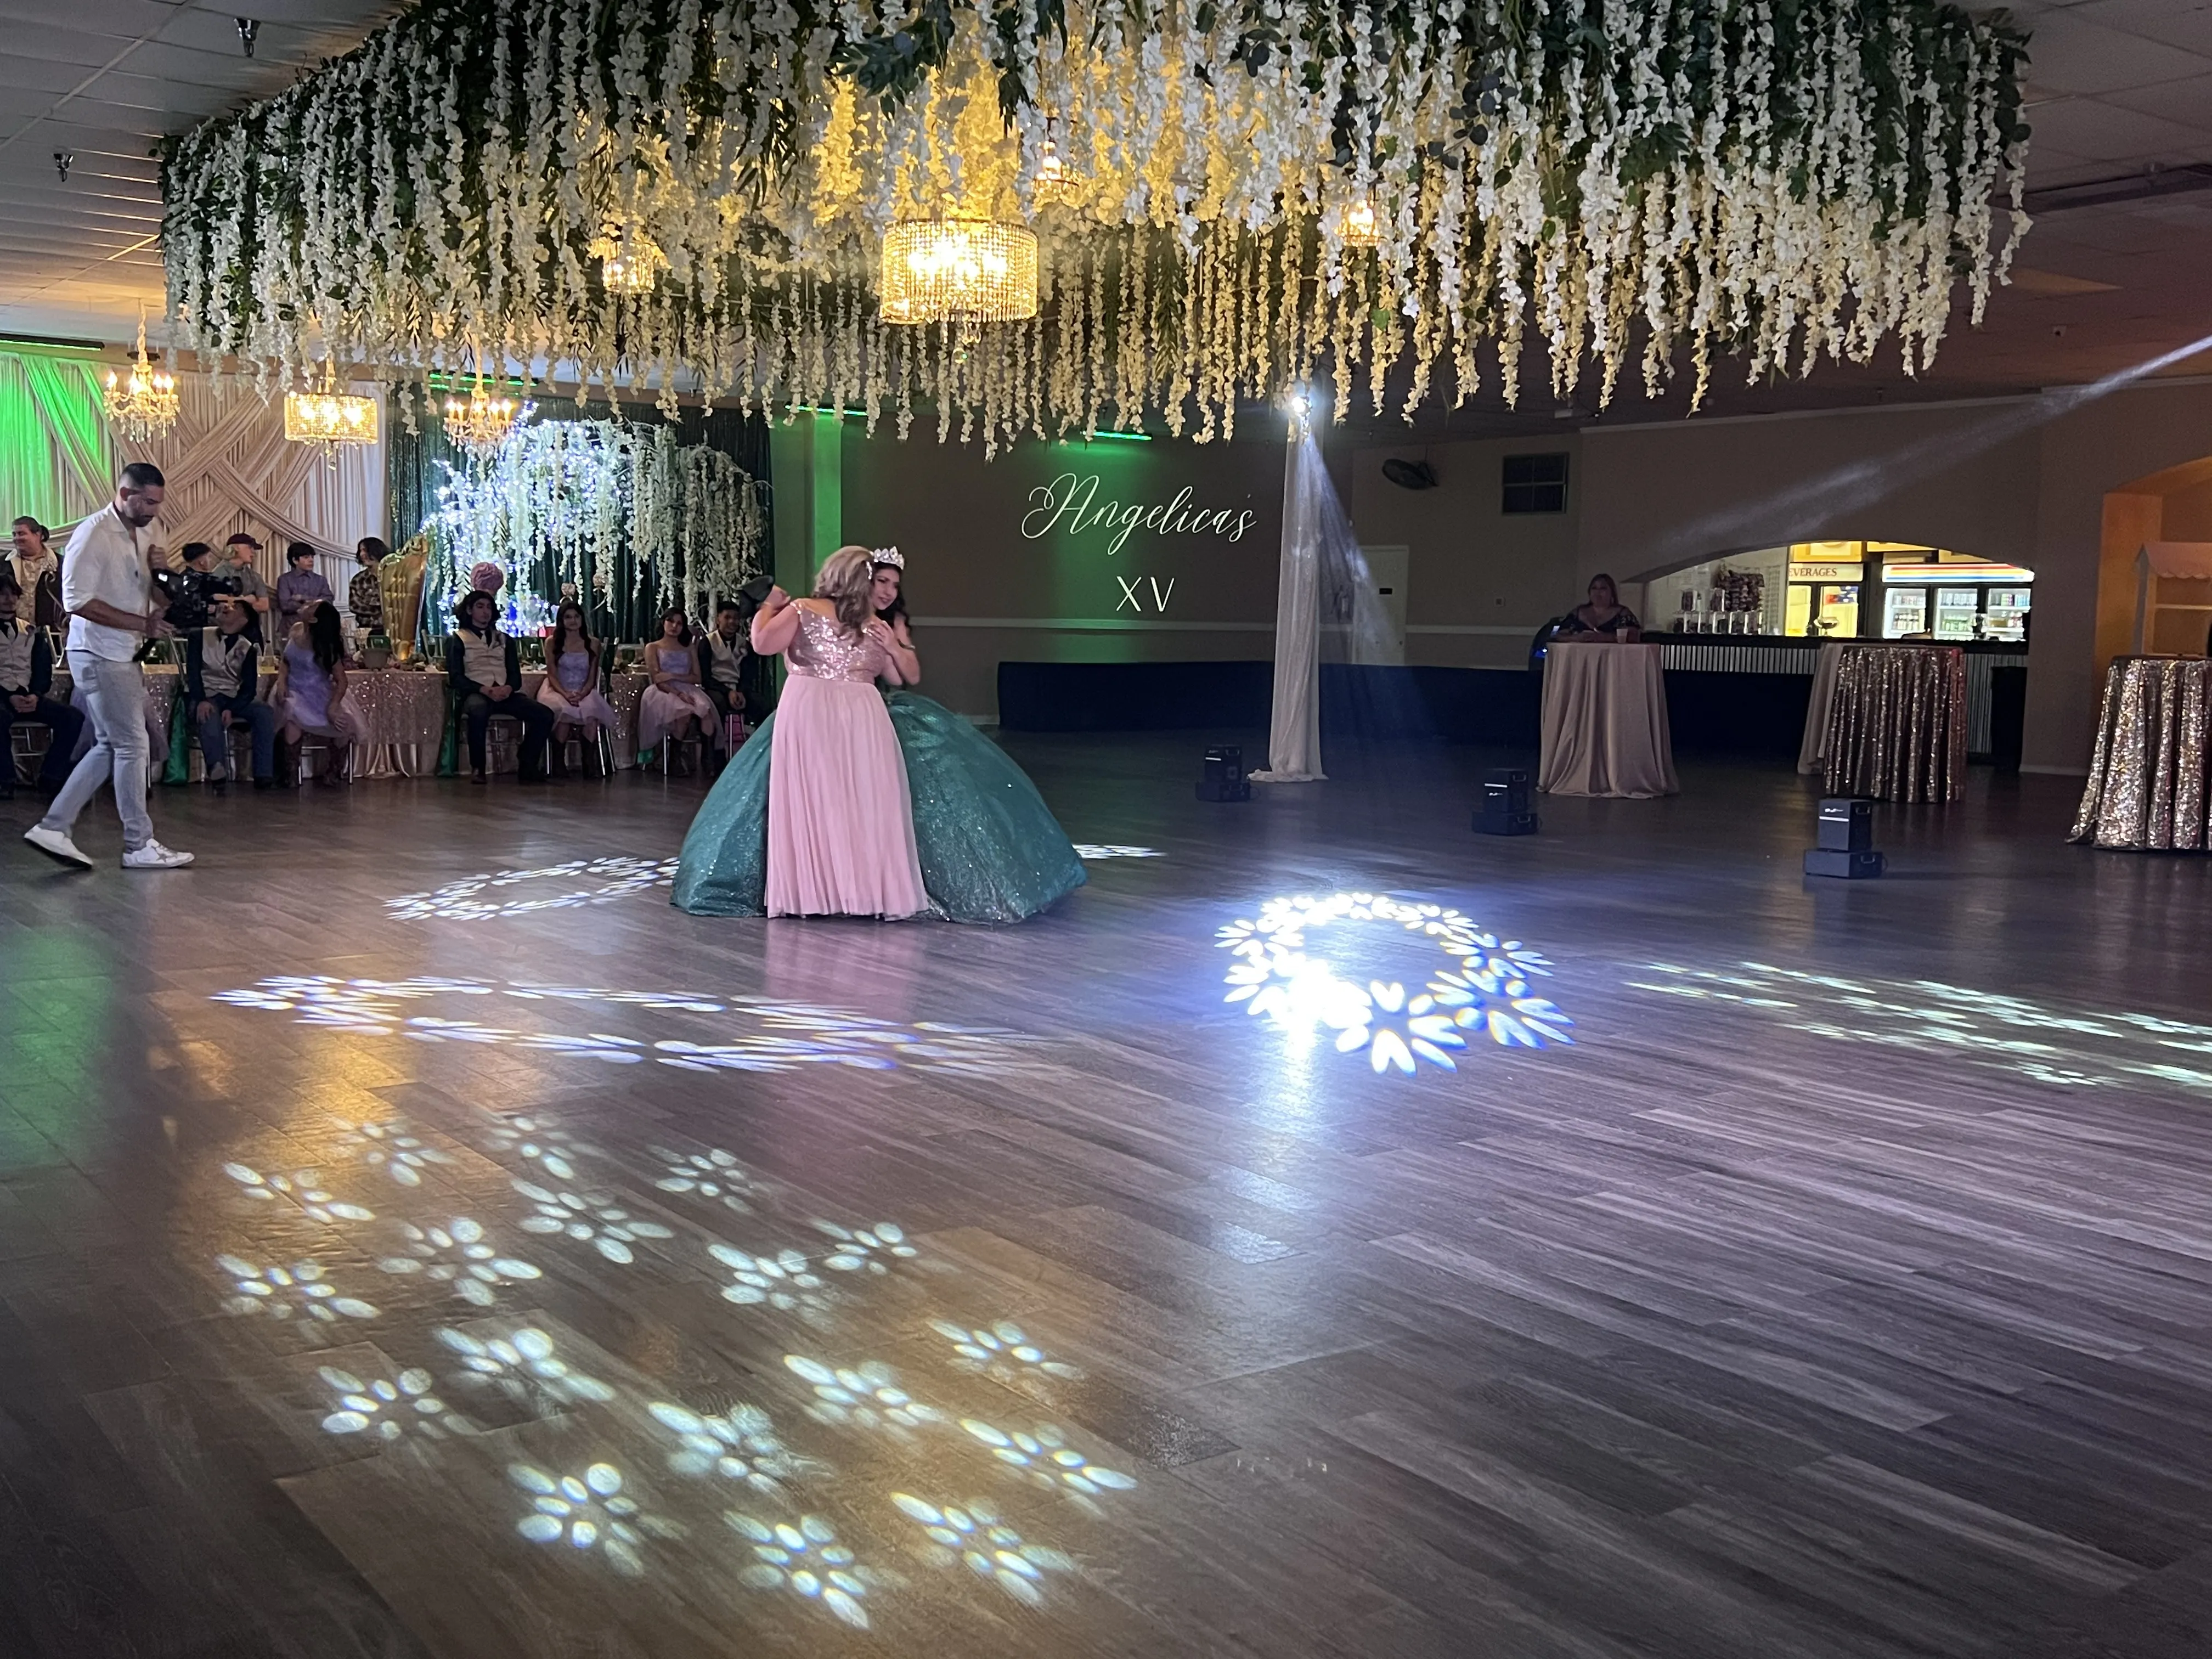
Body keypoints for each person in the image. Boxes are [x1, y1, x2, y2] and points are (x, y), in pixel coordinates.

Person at [673, 547, 1085, 922]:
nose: (884, 590)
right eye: (879, 581)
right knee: (864, 800)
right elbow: (897, 677)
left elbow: (762, 644)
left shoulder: (806, 610)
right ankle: (867, 892)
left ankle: (816, 893)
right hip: (862, 711)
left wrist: (766, 605)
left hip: (813, 706)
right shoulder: (869, 624)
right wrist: (895, 647)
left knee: (816, 798)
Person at [21, 461, 192, 869]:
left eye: (158, 503)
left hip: (124, 651)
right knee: (133, 744)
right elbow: (76, 601)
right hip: (98, 653)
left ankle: (54, 825)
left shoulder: (151, 529)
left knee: (110, 744)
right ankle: (137, 843)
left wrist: (162, 574)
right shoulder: (93, 534)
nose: (153, 510)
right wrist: (142, 623)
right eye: (147, 502)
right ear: (125, 492)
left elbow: (154, 595)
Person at [444, 589, 554, 782]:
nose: (485, 611)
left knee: (544, 714)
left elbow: (515, 676)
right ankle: (478, 768)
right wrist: (484, 689)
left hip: (504, 692)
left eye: (488, 607)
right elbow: (456, 678)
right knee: (478, 710)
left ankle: (527, 762)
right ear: (469, 610)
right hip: (477, 692)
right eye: (480, 607)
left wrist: (508, 688)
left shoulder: (504, 639)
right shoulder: (458, 639)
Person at [0, 566, 84, 797]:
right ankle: (5, 780)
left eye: (12, 594)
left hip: (28, 696)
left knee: (73, 718)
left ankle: (51, 776)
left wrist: (35, 695)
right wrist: (8, 696)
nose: (8, 599)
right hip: (2, 698)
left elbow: (42, 670)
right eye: (3, 594)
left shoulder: (30, 631)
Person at [185, 597, 276, 791]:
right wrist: (201, 699)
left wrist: (231, 708)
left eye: (235, 607)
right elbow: (193, 675)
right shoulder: (198, 636)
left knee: (264, 712)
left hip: (233, 697)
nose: (227, 607)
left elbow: (249, 688)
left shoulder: (248, 647)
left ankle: (264, 774)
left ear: (244, 620)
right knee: (209, 713)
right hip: (206, 693)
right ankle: (217, 769)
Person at [270, 601, 360, 787]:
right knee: (291, 716)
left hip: (318, 692)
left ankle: (334, 771)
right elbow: (286, 662)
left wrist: (334, 705)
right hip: (294, 689)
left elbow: (342, 681)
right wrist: (281, 680)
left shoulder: (325, 646)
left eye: (311, 606)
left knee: (344, 724)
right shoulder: (296, 630)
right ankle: (291, 774)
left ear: (313, 619)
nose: (306, 604)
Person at [535, 600, 617, 770]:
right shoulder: (552, 642)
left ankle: (589, 762)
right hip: (557, 689)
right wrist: (565, 694)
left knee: (591, 714)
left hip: (584, 690)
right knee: (564, 712)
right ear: (561, 620)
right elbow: (552, 674)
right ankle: (558, 762)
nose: (573, 621)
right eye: (568, 617)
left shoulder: (592, 643)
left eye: (577, 617)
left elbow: (592, 676)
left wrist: (583, 693)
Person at [637, 607, 717, 771]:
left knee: (706, 711)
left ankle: (709, 760)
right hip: (663, 691)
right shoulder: (652, 647)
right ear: (663, 622)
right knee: (684, 712)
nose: (675, 626)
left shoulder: (689, 648)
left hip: (688, 688)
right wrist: (678, 692)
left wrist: (673, 676)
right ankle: (675, 758)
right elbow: (658, 679)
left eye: (679, 623)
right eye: (671, 621)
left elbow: (697, 677)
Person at [695, 599, 749, 753]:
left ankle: (761, 755)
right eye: (727, 617)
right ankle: (714, 754)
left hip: (738, 688)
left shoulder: (744, 643)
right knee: (717, 704)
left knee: (764, 707)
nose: (732, 621)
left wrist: (741, 692)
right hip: (715, 687)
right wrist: (728, 692)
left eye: (736, 618)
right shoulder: (708, 642)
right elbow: (705, 677)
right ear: (718, 619)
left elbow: (748, 674)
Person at [158, 542, 240, 635]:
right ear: (201, 561)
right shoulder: (199, 581)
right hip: (191, 631)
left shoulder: (187, 578)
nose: (210, 560)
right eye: (208, 557)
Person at [9, 517, 64, 631]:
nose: (16, 538)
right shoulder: (4, 565)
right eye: (14, 534)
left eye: (21, 533)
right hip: (12, 636)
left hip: (51, 635)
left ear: (39, 535)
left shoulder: (61, 564)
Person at [1554, 573, 1641, 640]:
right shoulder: (1577, 613)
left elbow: (1634, 637)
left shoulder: (1623, 613)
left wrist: (1603, 637)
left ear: (1612, 593)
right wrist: (1577, 638)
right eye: (1594, 588)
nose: (1597, 592)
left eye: (1603, 588)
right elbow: (1559, 636)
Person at [275, 542, 334, 639]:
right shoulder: (284, 580)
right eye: (306, 557)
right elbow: (285, 605)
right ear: (295, 560)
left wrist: (303, 598)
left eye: (312, 557)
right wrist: (315, 603)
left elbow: (328, 601)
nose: (311, 560)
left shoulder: (321, 580)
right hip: (291, 628)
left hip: (318, 628)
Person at [222, 533, 273, 641]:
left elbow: (264, 605)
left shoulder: (255, 576)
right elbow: (220, 606)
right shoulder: (219, 574)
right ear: (236, 547)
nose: (253, 553)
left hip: (252, 631)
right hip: (227, 632)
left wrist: (236, 603)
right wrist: (247, 600)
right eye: (250, 547)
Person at [349, 538, 389, 633]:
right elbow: (354, 606)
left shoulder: (393, 576)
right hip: (367, 630)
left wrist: (371, 604)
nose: (362, 554)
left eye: (365, 550)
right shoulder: (358, 580)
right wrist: (381, 607)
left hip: (392, 630)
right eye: (361, 551)